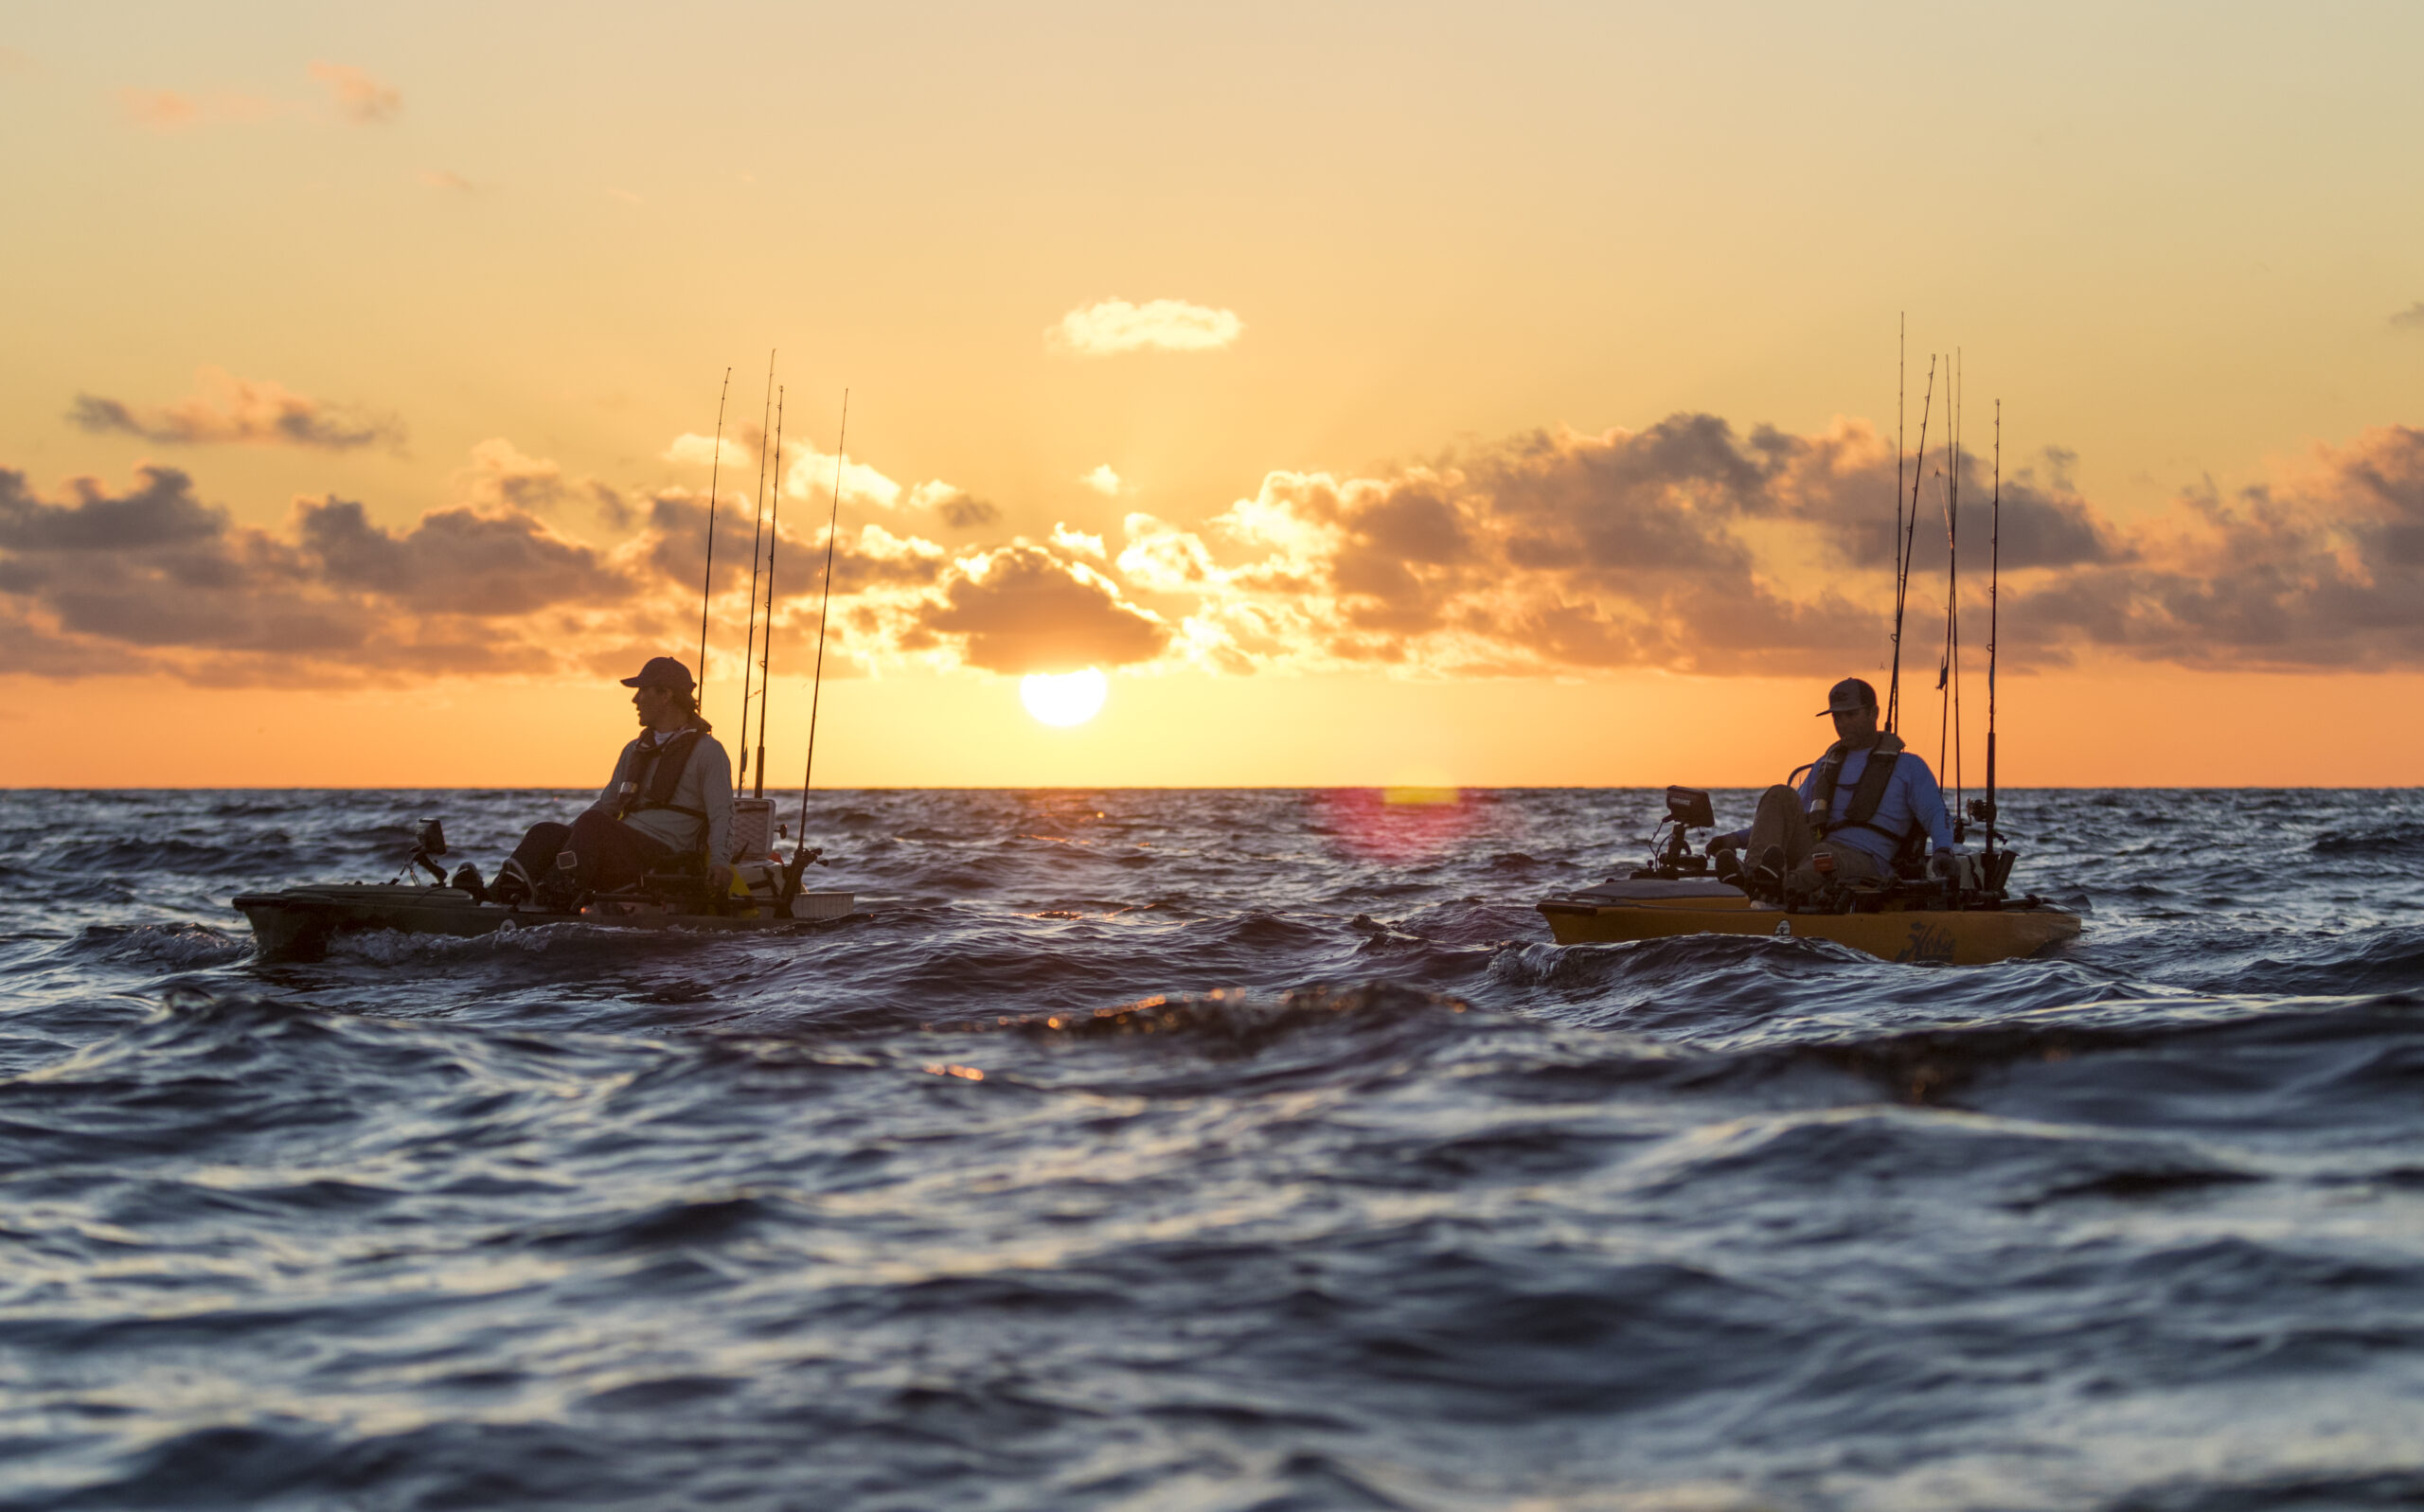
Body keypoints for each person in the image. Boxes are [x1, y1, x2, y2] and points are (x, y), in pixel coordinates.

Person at [490, 657, 736, 909]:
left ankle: (554, 897)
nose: (635, 700)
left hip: (667, 857)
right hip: (622, 849)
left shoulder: (708, 752)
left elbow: (722, 813)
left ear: (666, 695)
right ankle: (498, 895)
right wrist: (566, 838)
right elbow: (606, 805)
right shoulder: (634, 750)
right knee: (545, 832)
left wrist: (720, 862)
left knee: (593, 824)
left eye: (643, 691)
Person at [1712, 676, 1960, 897]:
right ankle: (1754, 877)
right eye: (1836, 716)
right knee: (1779, 794)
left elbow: (1936, 813)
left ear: (1873, 713)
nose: (1842, 723)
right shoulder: (1825, 764)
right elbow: (1787, 818)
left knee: (1823, 858)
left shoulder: (1909, 766)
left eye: (1850, 714)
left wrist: (1942, 850)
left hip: (1867, 861)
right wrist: (1732, 839)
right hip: (1817, 849)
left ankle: (1773, 888)